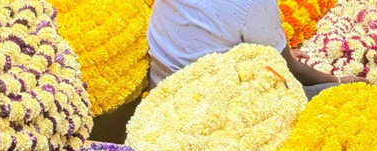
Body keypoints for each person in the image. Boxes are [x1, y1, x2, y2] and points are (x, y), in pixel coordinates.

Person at [147, 0, 365, 96]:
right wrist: (337, 81)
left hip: (160, 89)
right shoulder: (252, 3)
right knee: (343, 95)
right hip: (206, 107)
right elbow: (293, 72)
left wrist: (279, 50)